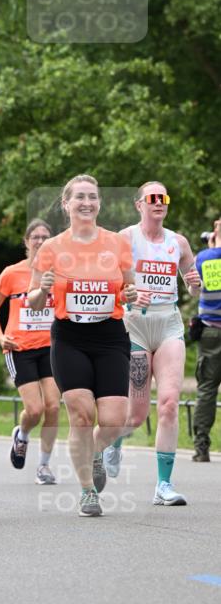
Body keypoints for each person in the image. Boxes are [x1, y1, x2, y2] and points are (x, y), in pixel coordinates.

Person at [28, 175, 137, 518]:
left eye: (92, 197)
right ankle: (88, 491)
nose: (86, 202)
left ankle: (95, 453)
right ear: (66, 204)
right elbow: (32, 302)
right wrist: (41, 290)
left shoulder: (117, 243)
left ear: (99, 204)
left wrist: (130, 295)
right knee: (81, 413)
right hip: (70, 337)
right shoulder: (51, 248)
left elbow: (128, 290)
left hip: (110, 336)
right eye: (79, 197)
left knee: (114, 419)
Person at [103, 182, 202, 504]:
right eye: (152, 198)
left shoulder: (179, 242)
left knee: (170, 404)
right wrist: (127, 293)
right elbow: (106, 282)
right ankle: (115, 441)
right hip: (135, 326)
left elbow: (194, 286)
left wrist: (194, 284)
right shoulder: (125, 239)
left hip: (168, 323)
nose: (159, 203)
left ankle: (163, 485)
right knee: (136, 415)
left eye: (164, 198)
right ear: (139, 205)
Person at [0, 219, 60, 484]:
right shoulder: (11, 273)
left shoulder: (59, 271)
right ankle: (22, 435)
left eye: (45, 237)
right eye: (35, 237)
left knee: (53, 405)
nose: (40, 241)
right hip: (20, 348)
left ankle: (43, 466)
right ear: (26, 242)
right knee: (35, 409)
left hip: (51, 347)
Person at [192, 218, 221, 461]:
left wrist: (213, 248)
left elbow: (197, 284)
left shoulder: (205, 258)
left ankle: (201, 447)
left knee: (207, 390)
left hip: (211, 332)